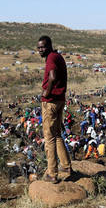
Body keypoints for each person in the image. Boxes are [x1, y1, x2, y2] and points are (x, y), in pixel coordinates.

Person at [38, 36, 72, 183]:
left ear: (49, 46)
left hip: (50, 101)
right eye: (38, 47)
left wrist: (46, 92)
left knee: (49, 137)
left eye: (43, 47)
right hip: (60, 100)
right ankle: (66, 166)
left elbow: (52, 76)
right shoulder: (58, 56)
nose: (40, 50)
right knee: (57, 134)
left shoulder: (51, 58)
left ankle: (52, 174)